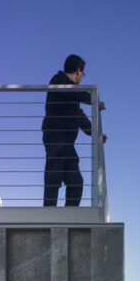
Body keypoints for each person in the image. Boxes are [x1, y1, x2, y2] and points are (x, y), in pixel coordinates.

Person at [42, 54, 106, 206]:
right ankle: (48, 216)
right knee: (54, 176)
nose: (82, 78)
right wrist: (93, 100)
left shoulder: (71, 92)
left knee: (76, 182)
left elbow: (79, 115)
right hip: (55, 138)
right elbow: (73, 92)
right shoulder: (58, 80)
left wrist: (96, 134)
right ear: (79, 71)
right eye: (83, 74)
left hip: (67, 143)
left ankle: (69, 217)